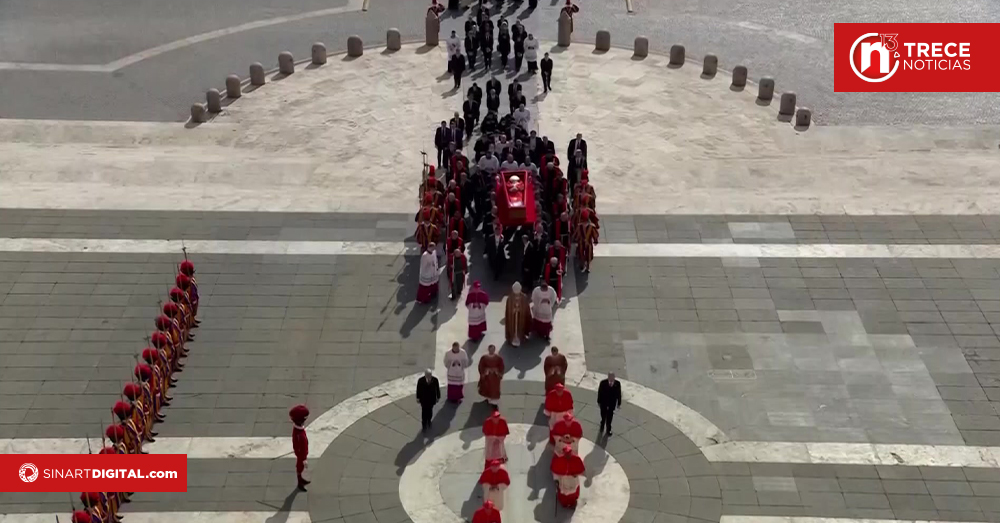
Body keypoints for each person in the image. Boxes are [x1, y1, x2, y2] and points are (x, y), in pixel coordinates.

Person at [503, 281, 532, 347]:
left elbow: (526, 307)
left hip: (521, 316)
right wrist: (513, 310)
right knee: (512, 326)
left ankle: (520, 337)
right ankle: (512, 337)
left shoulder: (524, 297)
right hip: (512, 317)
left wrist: (520, 310)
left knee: (521, 325)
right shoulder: (510, 298)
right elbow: (508, 309)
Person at [290, 404, 310, 491]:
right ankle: (299, 482)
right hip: (301, 455)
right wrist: (303, 459)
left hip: (301, 454)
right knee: (300, 467)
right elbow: (299, 447)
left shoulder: (298, 430)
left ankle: (300, 479)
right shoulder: (299, 435)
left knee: (300, 467)